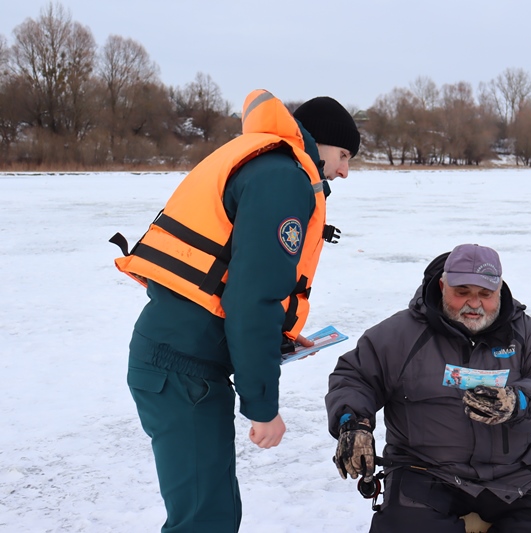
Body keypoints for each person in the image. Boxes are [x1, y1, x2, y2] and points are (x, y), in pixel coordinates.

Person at [113, 90, 361, 532]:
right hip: (182, 370)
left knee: (214, 514)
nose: (344, 170)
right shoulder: (284, 177)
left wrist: (279, 342)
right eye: (343, 155)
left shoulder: (264, 163)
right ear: (318, 142)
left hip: (182, 362)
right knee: (204, 521)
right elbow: (253, 300)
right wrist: (262, 407)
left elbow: (240, 290)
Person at [326, 244, 531, 533]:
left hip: (513, 472)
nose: (474, 304)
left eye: (485, 295)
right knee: (406, 525)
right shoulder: (400, 333)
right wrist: (353, 423)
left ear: (499, 290)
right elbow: (354, 376)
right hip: (427, 470)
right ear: (442, 285)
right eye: (462, 292)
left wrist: (519, 401)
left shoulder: (525, 333)